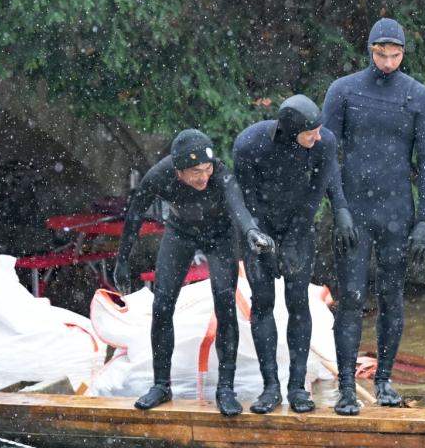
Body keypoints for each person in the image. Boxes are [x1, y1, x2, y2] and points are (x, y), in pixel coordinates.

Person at [112, 129, 274, 417]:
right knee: (162, 305)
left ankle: (226, 388)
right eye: (195, 172)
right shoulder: (159, 175)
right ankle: (161, 385)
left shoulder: (220, 174)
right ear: (178, 171)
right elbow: (135, 212)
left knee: (225, 304)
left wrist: (250, 231)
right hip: (180, 232)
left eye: (207, 169)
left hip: (220, 235)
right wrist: (122, 259)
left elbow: (237, 205)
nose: (203, 177)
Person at [322, 17, 425, 416]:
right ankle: (346, 388)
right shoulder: (344, 90)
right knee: (352, 298)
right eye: (381, 54)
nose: (388, 62)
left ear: (403, 54)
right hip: (354, 211)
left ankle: (385, 379)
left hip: (396, 212)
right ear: (369, 50)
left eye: (395, 55)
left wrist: (424, 219)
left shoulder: (418, 96)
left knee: (392, 297)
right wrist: (338, 209)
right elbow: (326, 156)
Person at [231, 95, 356, 414]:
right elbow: (248, 199)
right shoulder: (250, 143)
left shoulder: (324, 143)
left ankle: (297, 387)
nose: (318, 136)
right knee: (262, 304)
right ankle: (270, 386)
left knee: (298, 302)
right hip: (260, 227)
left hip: (298, 226)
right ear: (290, 130)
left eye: (319, 130)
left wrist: (292, 239)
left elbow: (315, 194)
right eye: (310, 132)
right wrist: (261, 239)